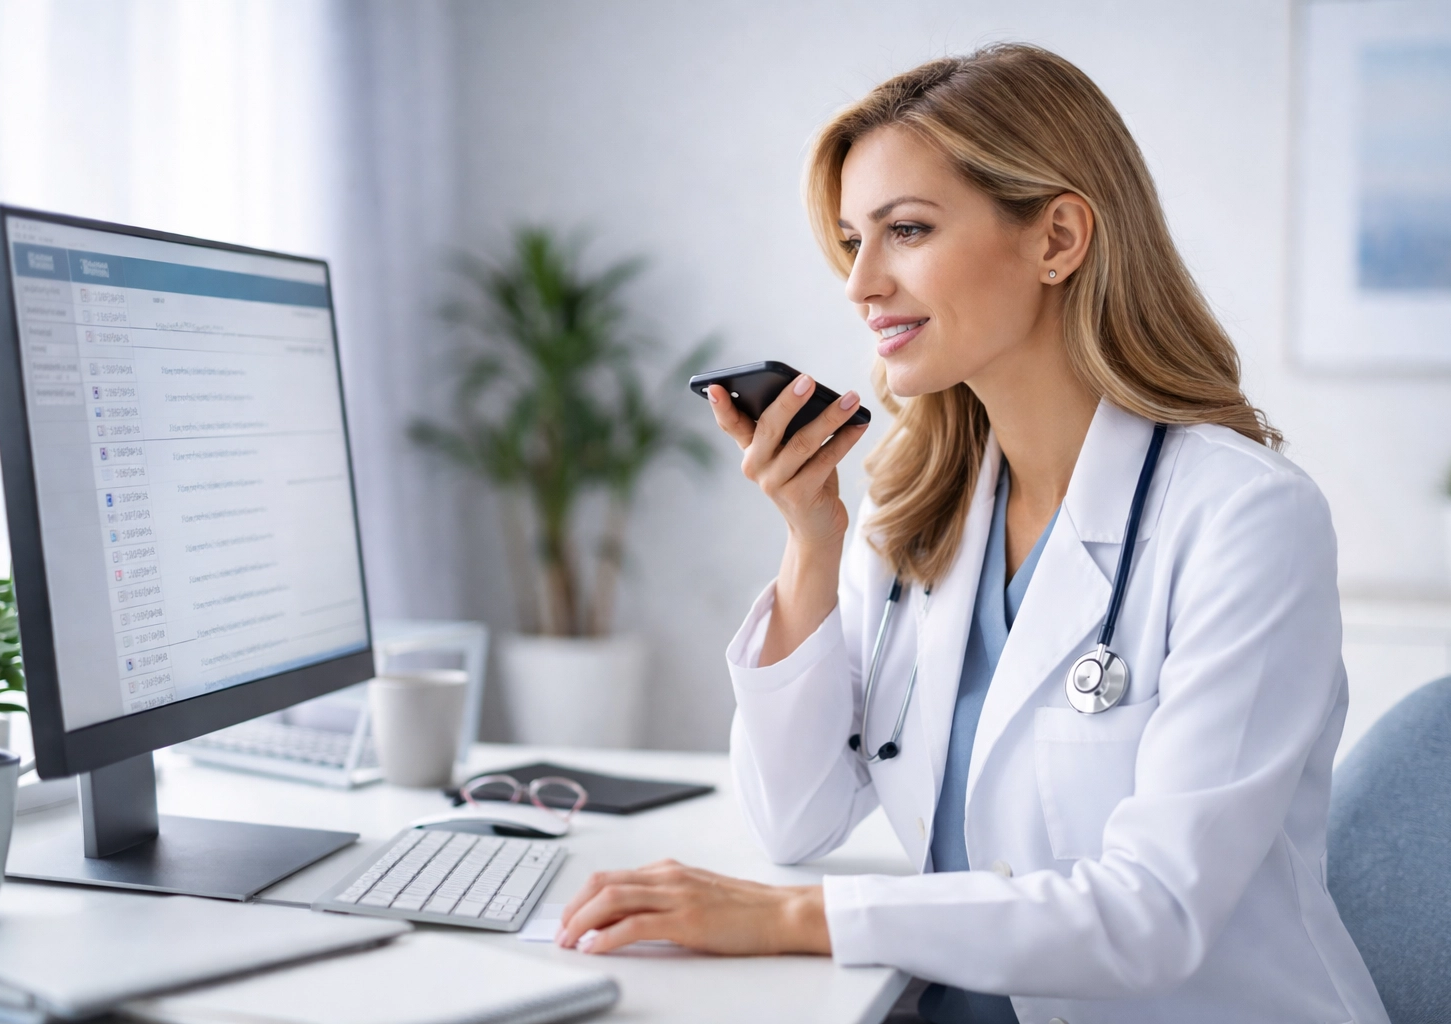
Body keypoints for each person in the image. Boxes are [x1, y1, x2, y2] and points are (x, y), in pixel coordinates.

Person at [556, 43, 1389, 1024]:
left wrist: (790, 917)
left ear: (1059, 238)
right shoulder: (920, 504)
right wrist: (810, 545)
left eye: (905, 230)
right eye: (851, 241)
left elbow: (1153, 913)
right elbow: (795, 817)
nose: (862, 283)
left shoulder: (1245, 518)